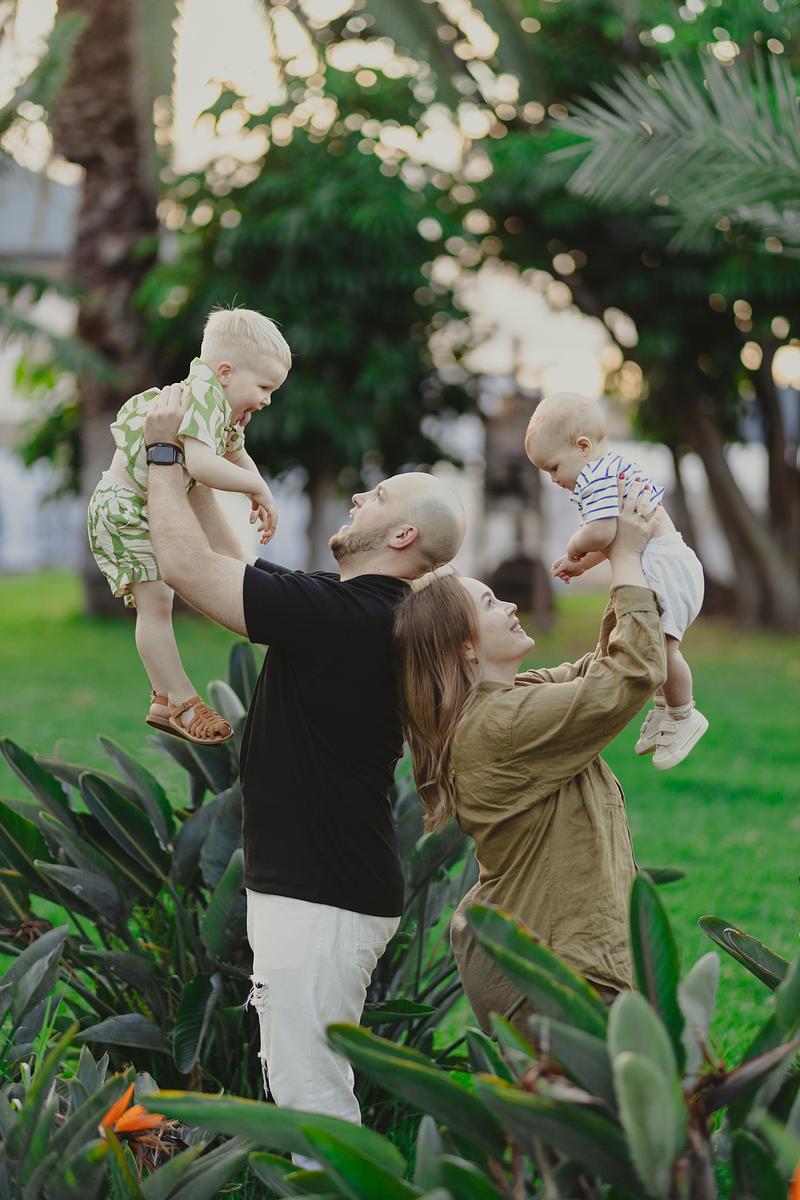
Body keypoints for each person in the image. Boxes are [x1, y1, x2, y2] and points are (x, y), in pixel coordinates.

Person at [140, 384, 466, 1144]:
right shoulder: (355, 610)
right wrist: (208, 467)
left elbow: (190, 570)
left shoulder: (350, 620)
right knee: (304, 1081)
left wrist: (161, 456)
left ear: (404, 533)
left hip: (324, 896)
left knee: (309, 1090)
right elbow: (234, 563)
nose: (358, 494)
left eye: (377, 495)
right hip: (326, 887)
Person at [393, 490, 666, 1036]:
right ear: (466, 649)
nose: (511, 605)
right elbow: (629, 676)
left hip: (552, 964)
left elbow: (598, 670)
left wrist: (620, 559)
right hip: (556, 974)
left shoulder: (509, 699)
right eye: (491, 604)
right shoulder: (502, 725)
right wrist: (629, 563)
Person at [87, 307, 290, 744]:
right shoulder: (203, 398)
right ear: (225, 371)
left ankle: (166, 698)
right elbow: (200, 463)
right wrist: (258, 487)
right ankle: (177, 700)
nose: (268, 399)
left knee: (163, 600)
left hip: (144, 504)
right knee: (156, 605)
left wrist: (255, 487)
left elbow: (233, 454)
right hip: (124, 507)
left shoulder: (222, 408)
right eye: (264, 386)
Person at [525, 391, 707, 770]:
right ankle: (664, 707)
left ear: (582, 446)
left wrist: (574, 545)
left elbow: (604, 531)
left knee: (660, 646)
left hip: (666, 566)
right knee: (650, 643)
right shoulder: (607, 468)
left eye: (554, 467)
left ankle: (683, 714)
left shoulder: (595, 476)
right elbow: (615, 538)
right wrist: (580, 565)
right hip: (665, 561)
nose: (553, 479)